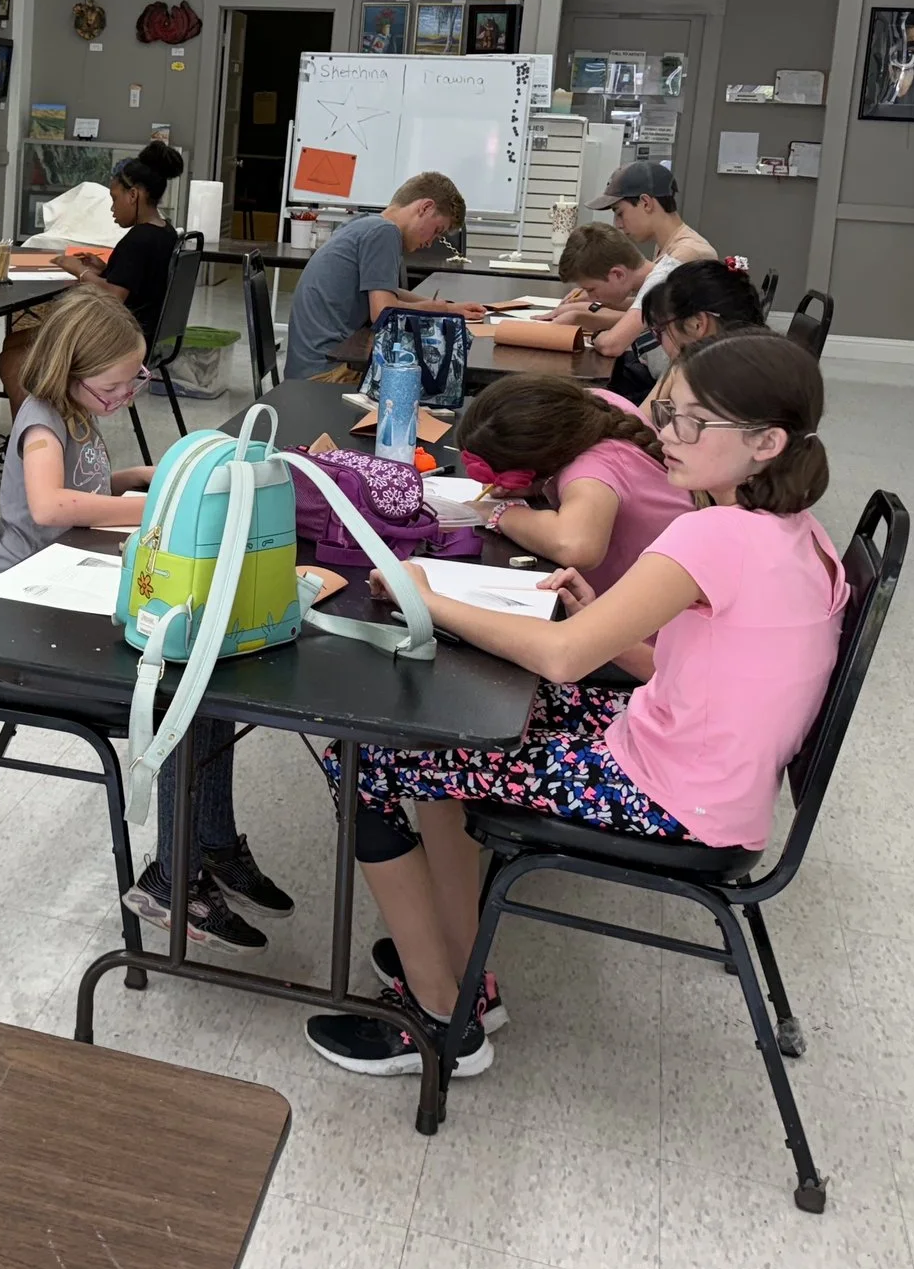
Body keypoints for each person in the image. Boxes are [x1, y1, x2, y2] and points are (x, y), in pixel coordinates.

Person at [308, 332, 846, 1078]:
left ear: (767, 443)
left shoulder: (713, 533)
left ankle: (437, 1016)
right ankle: (464, 971)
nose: (664, 433)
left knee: (364, 756)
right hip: (708, 772)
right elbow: (680, 663)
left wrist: (427, 597)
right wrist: (606, 618)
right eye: (668, 410)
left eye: (693, 422)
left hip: (670, 794)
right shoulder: (802, 535)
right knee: (455, 732)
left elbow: (563, 657)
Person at [0, 292, 290, 953]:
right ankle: (170, 880)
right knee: (179, 690)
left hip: (70, 597)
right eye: (116, 383)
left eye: (136, 379)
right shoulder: (42, 420)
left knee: (205, 673)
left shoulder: (78, 411)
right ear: (70, 369)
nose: (127, 394)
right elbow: (49, 503)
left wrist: (153, 476)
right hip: (23, 622)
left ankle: (209, 839)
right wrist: (152, 511)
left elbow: (92, 479)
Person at [451, 375, 692, 596]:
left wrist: (497, 512)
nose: (492, 489)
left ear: (539, 464)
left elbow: (576, 546)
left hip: (654, 632)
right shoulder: (591, 407)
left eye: (497, 480)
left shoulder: (592, 471)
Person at [0, 139, 184, 408]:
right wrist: (106, 269)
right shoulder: (165, 232)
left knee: (12, 358)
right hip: (150, 336)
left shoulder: (138, 239)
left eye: (115, 198)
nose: (112, 208)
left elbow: (114, 297)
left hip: (120, 339)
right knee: (15, 340)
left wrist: (80, 270)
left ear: (133, 195)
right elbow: (142, 280)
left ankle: (33, 438)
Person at [281, 173, 487, 381]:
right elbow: (383, 311)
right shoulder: (385, 233)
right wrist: (436, 310)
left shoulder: (365, 224)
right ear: (425, 207)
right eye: (436, 231)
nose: (430, 242)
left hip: (308, 366)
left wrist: (450, 308)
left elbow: (387, 291)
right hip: (326, 374)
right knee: (434, 380)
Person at [588, 161, 717, 359]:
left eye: (620, 213)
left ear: (646, 203)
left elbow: (613, 343)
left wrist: (595, 336)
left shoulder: (684, 255)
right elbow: (650, 306)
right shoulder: (672, 245)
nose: (618, 224)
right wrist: (596, 301)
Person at [637, 259, 766, 407]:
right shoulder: (757, 360)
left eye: (660, 331)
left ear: (697, 324)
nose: (661, 342)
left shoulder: (711, 389)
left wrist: (676, 370)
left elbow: (641, 425)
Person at [547, 224, 650, 340]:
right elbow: (643, 308)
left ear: (618, 274)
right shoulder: (654, 281)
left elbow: (611, 346)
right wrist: (605, 303)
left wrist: (582, 318)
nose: (591, 297)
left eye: (591, 289)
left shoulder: (665, 290)